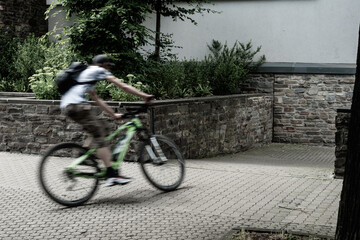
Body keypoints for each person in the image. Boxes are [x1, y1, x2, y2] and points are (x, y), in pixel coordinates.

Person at [60, 54, 153, 187]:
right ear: (103, 64)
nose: (109, 69)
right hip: (78, 106)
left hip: (68, 107)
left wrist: (114, 115)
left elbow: (97, 99)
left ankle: (85, 155)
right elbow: (123, 87)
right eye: (108, 65)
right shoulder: (98, 70)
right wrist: (145, 96)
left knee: (104, 127)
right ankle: (112, 175)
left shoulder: (86, 74)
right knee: (100, 136)